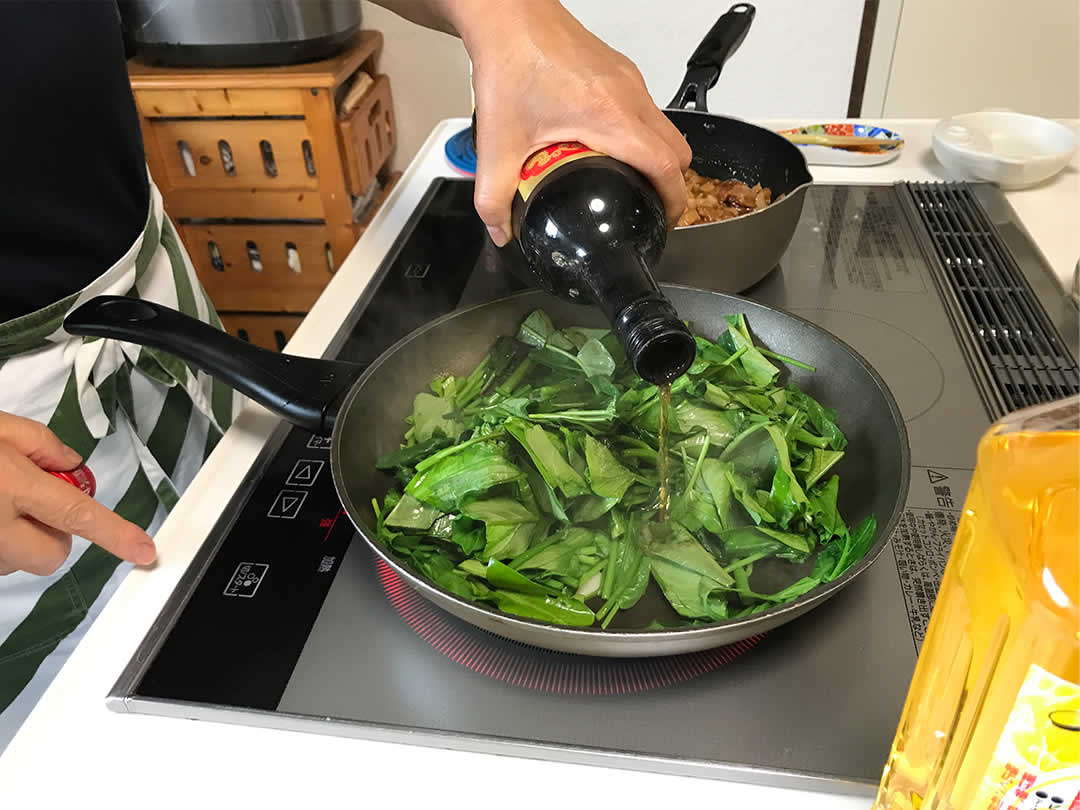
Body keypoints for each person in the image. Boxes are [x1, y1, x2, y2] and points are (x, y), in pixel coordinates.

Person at [0, 0, 691, 751]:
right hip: (18, 444)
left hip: (132, 282)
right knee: (72, 743)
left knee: (207, 587)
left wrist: (509, 19)